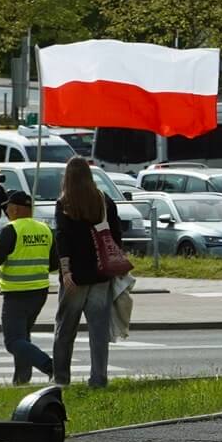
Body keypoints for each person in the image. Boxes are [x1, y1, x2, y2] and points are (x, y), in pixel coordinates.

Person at [52, 156, 125, 387]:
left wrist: (65, 271)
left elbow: (62, 239)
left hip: (75, 276)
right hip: (101, 275)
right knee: (98, 332)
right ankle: (98, 379)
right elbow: (116, 237)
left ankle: (62, 379)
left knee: (65, 330)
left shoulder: (65, 203)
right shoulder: (104, 201)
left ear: (68, 177)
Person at [0, 189, 56, 384]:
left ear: (16, 209)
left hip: (17, 294)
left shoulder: (11, 229)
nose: (6, 212)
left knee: (13, 342)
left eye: (7, 208)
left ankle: (50, 366)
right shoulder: (45, 229)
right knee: (23, 338)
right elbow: (53, 263)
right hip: (40, 292)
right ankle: (21, 381)